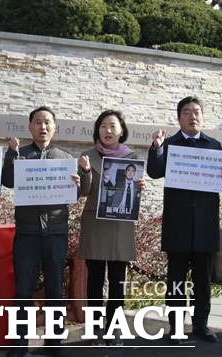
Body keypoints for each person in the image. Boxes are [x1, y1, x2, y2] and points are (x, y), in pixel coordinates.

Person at [2, 106, 91, 357]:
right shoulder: (21, 155)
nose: (43, 127)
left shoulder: (64, 158)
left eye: (47, 122)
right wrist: (10, 154)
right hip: (27, 233)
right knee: (23, 289)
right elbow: (8, 181)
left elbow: (78, 194)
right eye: (38, 122)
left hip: (56, 232)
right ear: (30, 127)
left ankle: (54, 342)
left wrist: (83, 175)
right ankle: (19, 343)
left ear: (55, 127)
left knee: (54, 289)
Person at [147, 96, 222, 344]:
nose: (192, 116)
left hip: (206, 222)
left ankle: (201, 325)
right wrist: (157, 147)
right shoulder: (170, 144)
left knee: (202, 280)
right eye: (186, 112)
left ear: (202, 117)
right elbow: (154, 172)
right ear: (179, 118)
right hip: (178, 222)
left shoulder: (214, 146)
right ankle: (175, 326)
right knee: (176, 279)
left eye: (196, 112)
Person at [78, 110, 146, 345]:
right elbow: (83, 192)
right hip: (95, 224)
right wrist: (85, 172)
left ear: (121, 131)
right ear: (97, 130)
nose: (108, 131)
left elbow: (132, 195)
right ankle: (96, 328)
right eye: (103, 126)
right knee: (95, 279)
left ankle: (114, 327)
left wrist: (139, 187)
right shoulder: (87, 156)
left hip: (120, 224)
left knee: (118, 280)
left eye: (113, 126)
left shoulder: (132, 157)